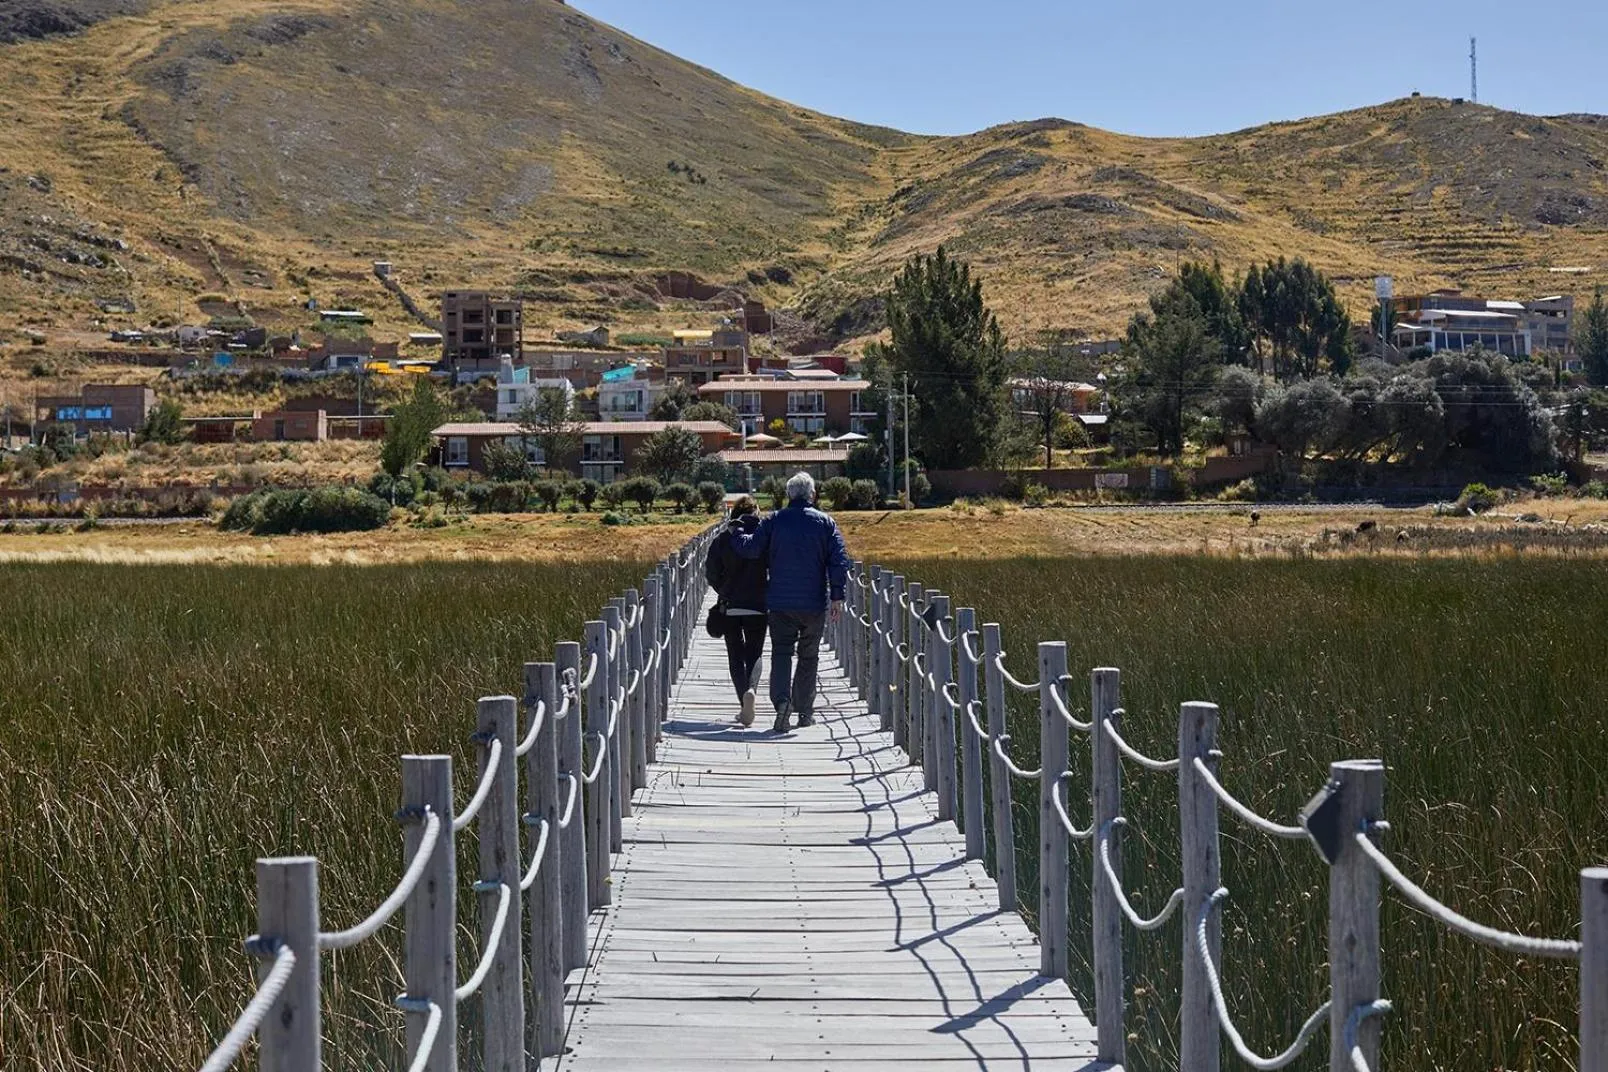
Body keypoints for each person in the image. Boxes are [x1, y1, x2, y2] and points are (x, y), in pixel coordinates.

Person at [729, 472, 850, 733]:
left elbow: (751, 549)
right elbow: (839, 561)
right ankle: (804, 712)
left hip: (780, 603)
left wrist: (736, 532)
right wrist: (837, 596)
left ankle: (782, 702)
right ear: (813, 495)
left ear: (788, 495)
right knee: (809, 656)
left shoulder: (774, 520)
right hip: (813, 604)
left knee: (782, 653)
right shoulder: (826, 523)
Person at [705, 495, 768, 726]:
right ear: (757, 513)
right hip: (759, 605)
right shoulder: (765, 538)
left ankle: (744, 703)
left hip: (730, 605)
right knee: (755, 653)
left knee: (735, 654)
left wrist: (723, 589)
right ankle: (752, 688)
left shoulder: (723, 539)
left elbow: (711, 572)